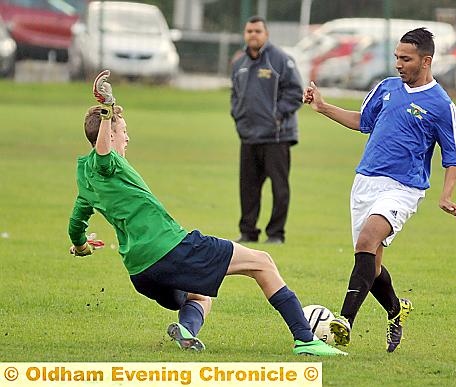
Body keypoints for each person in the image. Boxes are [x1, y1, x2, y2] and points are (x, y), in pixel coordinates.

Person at [67, 70, 346, 357]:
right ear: (109, 134)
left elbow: (76, 224)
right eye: (123, 132)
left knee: (199, 295)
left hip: (140, 273)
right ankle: (305, 339)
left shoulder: (85, 178)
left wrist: (82, 246)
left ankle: (186, 331)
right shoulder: (107, 162)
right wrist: (106, 110)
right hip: (170, 250)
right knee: (262, 262)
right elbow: (104, 154)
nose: (128, 137)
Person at [303, 28, 456, 352]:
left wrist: (446, 196)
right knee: (371, 265)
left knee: (367, 241)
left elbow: (454, 156)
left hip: (404, 188)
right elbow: (363, 121)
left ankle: (344, 322)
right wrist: (323, 107)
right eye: (396, 58)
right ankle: (395, 309)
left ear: (426, 60)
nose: (398, 65)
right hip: (365, 182)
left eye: (406, 59)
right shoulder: (387, 88)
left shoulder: (441, 105)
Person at [230, 15, 303, 244]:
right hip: (249, 136)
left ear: (266, 34)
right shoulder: (239, 62)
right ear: (245, 34)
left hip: (276, 137)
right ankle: (248, 232)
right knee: (248, 188)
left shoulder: (280, 60)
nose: (253, 35)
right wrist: (238, 116)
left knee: (279, 188)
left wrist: (276, 116)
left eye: (257, 31)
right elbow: (235, 95)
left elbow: (295, 93)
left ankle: (276, 234)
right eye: (249, 31)